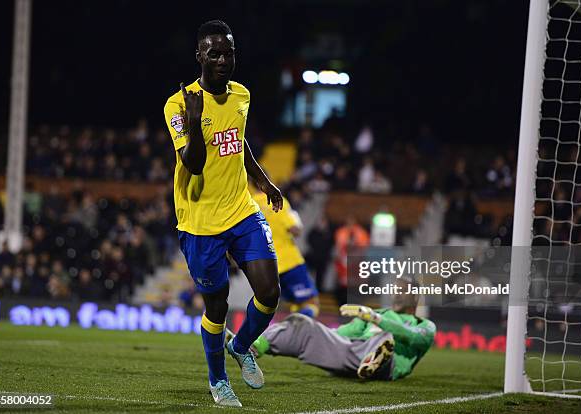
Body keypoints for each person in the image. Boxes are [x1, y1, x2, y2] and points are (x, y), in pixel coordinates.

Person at [163, 20, 283, 407]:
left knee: (269, 291)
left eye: (228, 52)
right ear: (199, 56)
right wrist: (196, 122)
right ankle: (218, 382)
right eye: (214, 53)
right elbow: (194, 163)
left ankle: (243, 345)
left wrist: (264, 182)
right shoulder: (178, 105)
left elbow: (239, 142)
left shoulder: (242, 95)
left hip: (241, 211)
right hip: (199, 223)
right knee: (217, 306)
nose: (222, 60)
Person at [245, 280, 436, 381]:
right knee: (302, 323)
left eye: (403, 290)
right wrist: (322, 334)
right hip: (350, 353)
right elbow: (342, 333)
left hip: (389, 367)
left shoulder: (424, 324)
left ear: (415, 296)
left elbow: (415, 339)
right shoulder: (374, 313)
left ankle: (376, 359)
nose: (397, 293)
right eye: (396, 289)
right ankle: (251, 346)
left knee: (384, 337)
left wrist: (376, 319)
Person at [252, 189, 319, 318]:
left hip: (266, 267)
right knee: (311, 303)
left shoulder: (248, 204)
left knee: (291, 305)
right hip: (289, 262)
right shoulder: (276, 199)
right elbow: (295, 230)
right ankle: (293, 329)